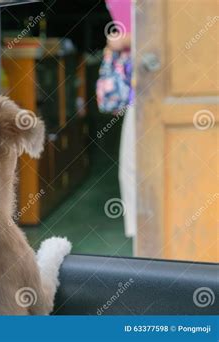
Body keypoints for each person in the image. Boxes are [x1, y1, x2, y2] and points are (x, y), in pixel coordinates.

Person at [99, 0, 136, 238]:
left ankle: (144, 239)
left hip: (151, 86)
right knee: (132, 168)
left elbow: (167, 27)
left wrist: (122, 41)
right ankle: (141, 237)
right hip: (137, 83)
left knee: (132, 168)